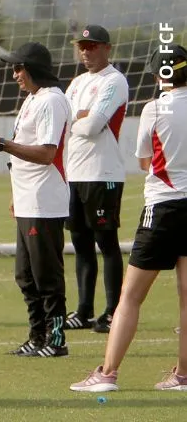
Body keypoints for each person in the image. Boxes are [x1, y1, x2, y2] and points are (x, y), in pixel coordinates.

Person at [70, 44, 187, 392]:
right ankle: (182, 376)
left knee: (131, 297)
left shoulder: (154, 108)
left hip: (163, 207)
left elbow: (143, 160)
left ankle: (107, 373)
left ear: (158, 76)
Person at [0, 41, 71, 358]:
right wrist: (16, 194)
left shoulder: (52, 101)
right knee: (25, 276)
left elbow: (46, 153)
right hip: (28, 200)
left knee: (46, 276)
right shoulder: (33, 100)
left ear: (34, 68)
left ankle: (56, 341)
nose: (14, 74)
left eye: (18, 67)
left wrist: (1, 144)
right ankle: (38, 336)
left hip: (45, 201)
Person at [64, 25, 129, 334]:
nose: (86, 51)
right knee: (80, 243)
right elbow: (67, 124)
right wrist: (81, 117)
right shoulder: (77, 83)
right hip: (75, 173)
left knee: (107, 243)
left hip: (103, 173)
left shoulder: (115, 81)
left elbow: (92, 127)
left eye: (92, 46)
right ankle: (84, 309)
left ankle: (113, 310)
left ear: (107, 48)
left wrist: (80, 119)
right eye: (82, 46)